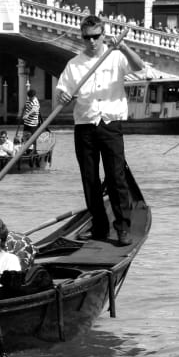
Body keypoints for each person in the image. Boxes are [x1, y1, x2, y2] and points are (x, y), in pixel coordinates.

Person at [55, 14, 145, 247]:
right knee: (90, 180)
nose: (92, 41)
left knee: (116, 177)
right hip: (84, 125)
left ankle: (123, 227)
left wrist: (123, 47)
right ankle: (100, 225)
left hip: (110, 124)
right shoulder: (74, 64)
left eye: (96, 36)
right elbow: (62, 92)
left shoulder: (116, 56)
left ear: (103, 35)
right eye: (87, 37)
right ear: (82, 37)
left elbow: (139, 67)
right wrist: (63, 96)